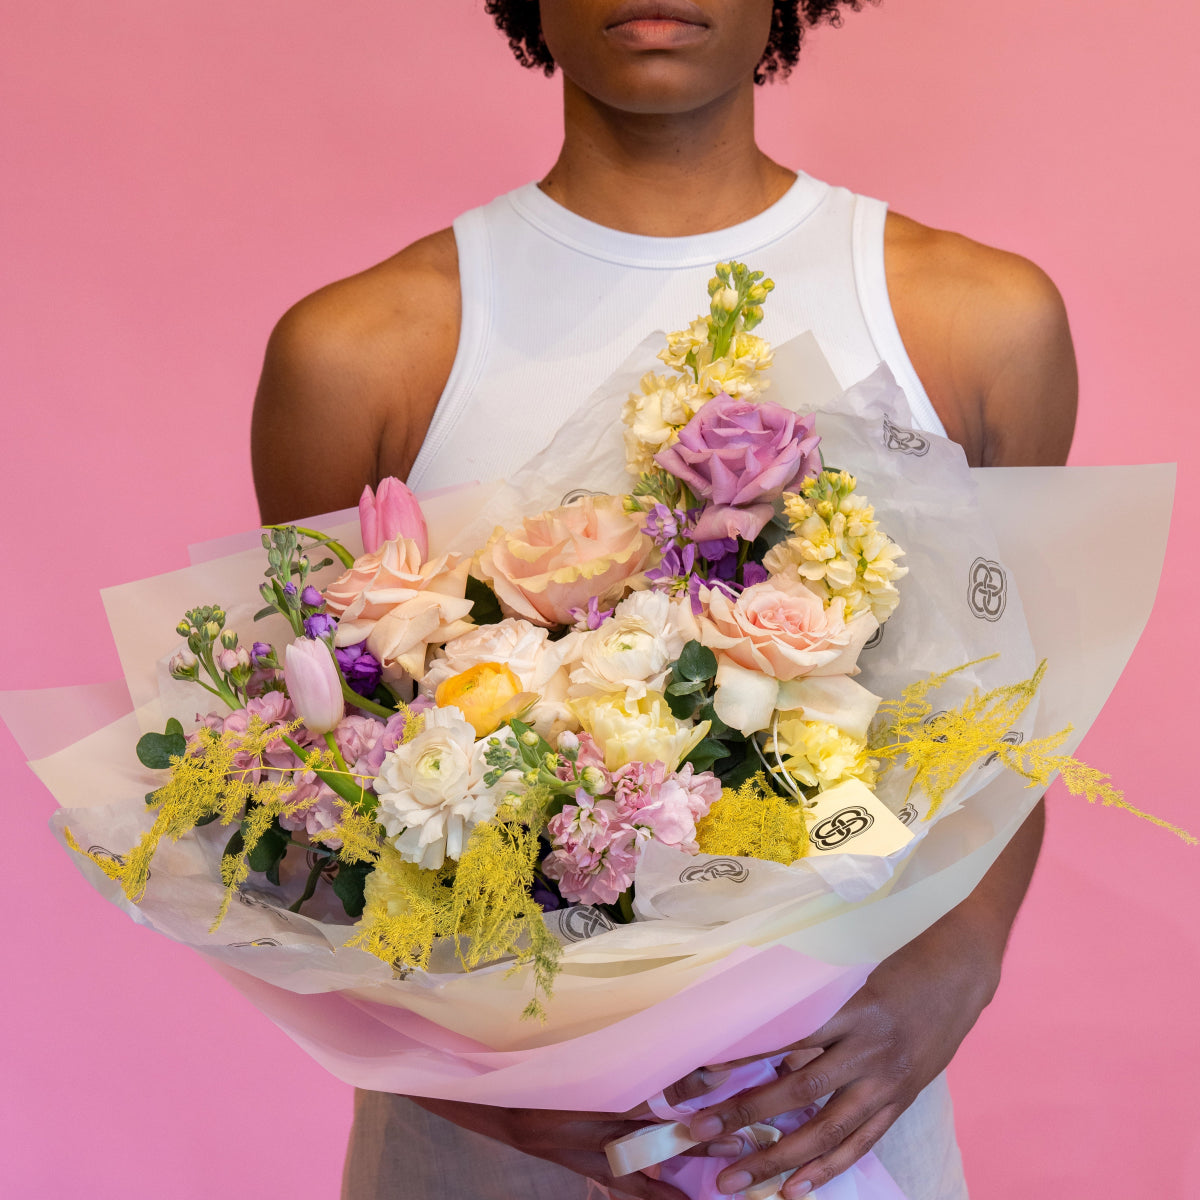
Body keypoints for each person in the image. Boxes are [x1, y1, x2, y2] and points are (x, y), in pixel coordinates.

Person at [251, 2, 1077, 1197]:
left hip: (835, 1127)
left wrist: (961, 959)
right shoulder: (358, 353)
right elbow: (299, 789)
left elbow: (1006, 732)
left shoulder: (980, 324)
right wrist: (468, 1079)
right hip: (486, 1160)